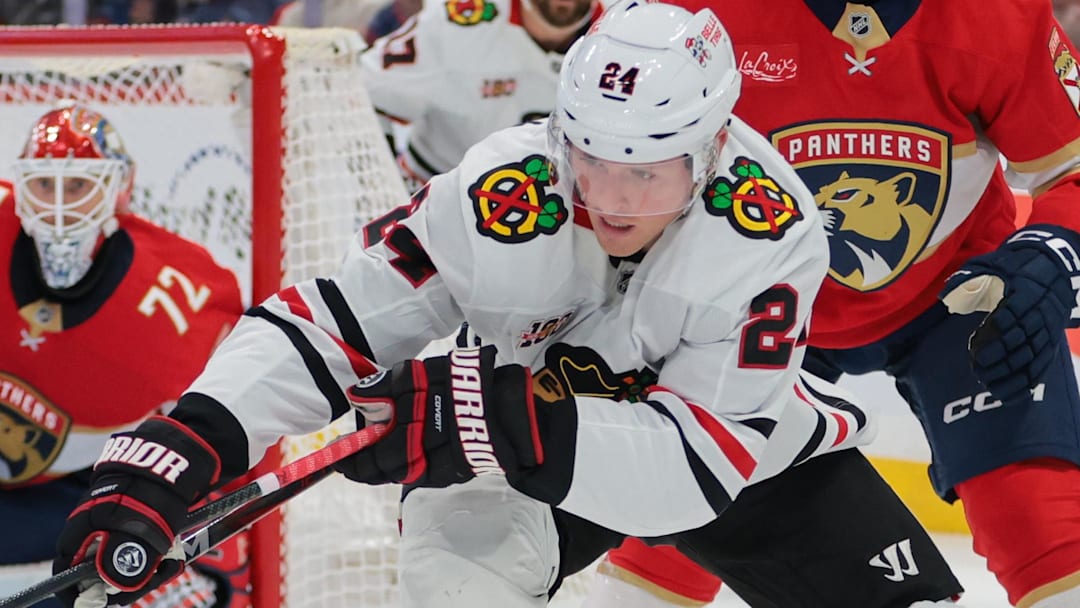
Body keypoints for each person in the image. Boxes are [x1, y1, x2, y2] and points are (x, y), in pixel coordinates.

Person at [52, 4, 966, 608]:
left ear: (715, 144)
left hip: (726, 458)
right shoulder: (505, 191)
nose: (611, 197)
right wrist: (193, 438)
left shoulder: (768, 231)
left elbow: (699, 467)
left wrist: (502, 424)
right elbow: (330, 322)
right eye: (592, 159)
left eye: (647, 172)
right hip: (502, 457)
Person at [587, 0, 1080, 607]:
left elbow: (1072, 167)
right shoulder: (686, 19)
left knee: (1045, 527)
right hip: (753, 296)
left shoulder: (999, 15)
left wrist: (1054, 247)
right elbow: (607, 167)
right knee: (662, 534)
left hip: (956, 294)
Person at [0, 103, 247, 608]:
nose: (60, 206)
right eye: (45, 185)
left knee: (132, 562)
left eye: (78, 186)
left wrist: (191, 549)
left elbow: (228, 426)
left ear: (119, 187)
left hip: (68, 497)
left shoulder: (182, 295)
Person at [360, 0, 603, 190]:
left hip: (571, 206)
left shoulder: (627, 31)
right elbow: (360, 89)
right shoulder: (457, 23)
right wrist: (379, 179)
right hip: (438, 192)